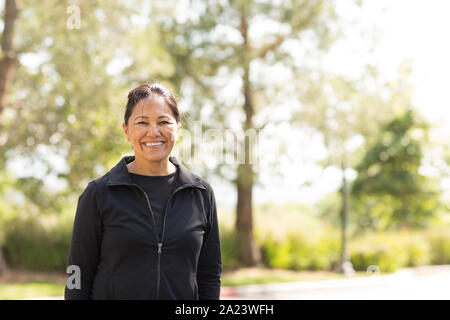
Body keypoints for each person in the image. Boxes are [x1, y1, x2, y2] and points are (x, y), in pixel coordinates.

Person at [65, 82, 222, 300]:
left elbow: (210, 275)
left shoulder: (201, 193)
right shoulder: (99, 194)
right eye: (142, 122)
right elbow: (77, 274)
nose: (153, 132)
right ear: (126, 130)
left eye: (164, 121)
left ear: (178, 127)